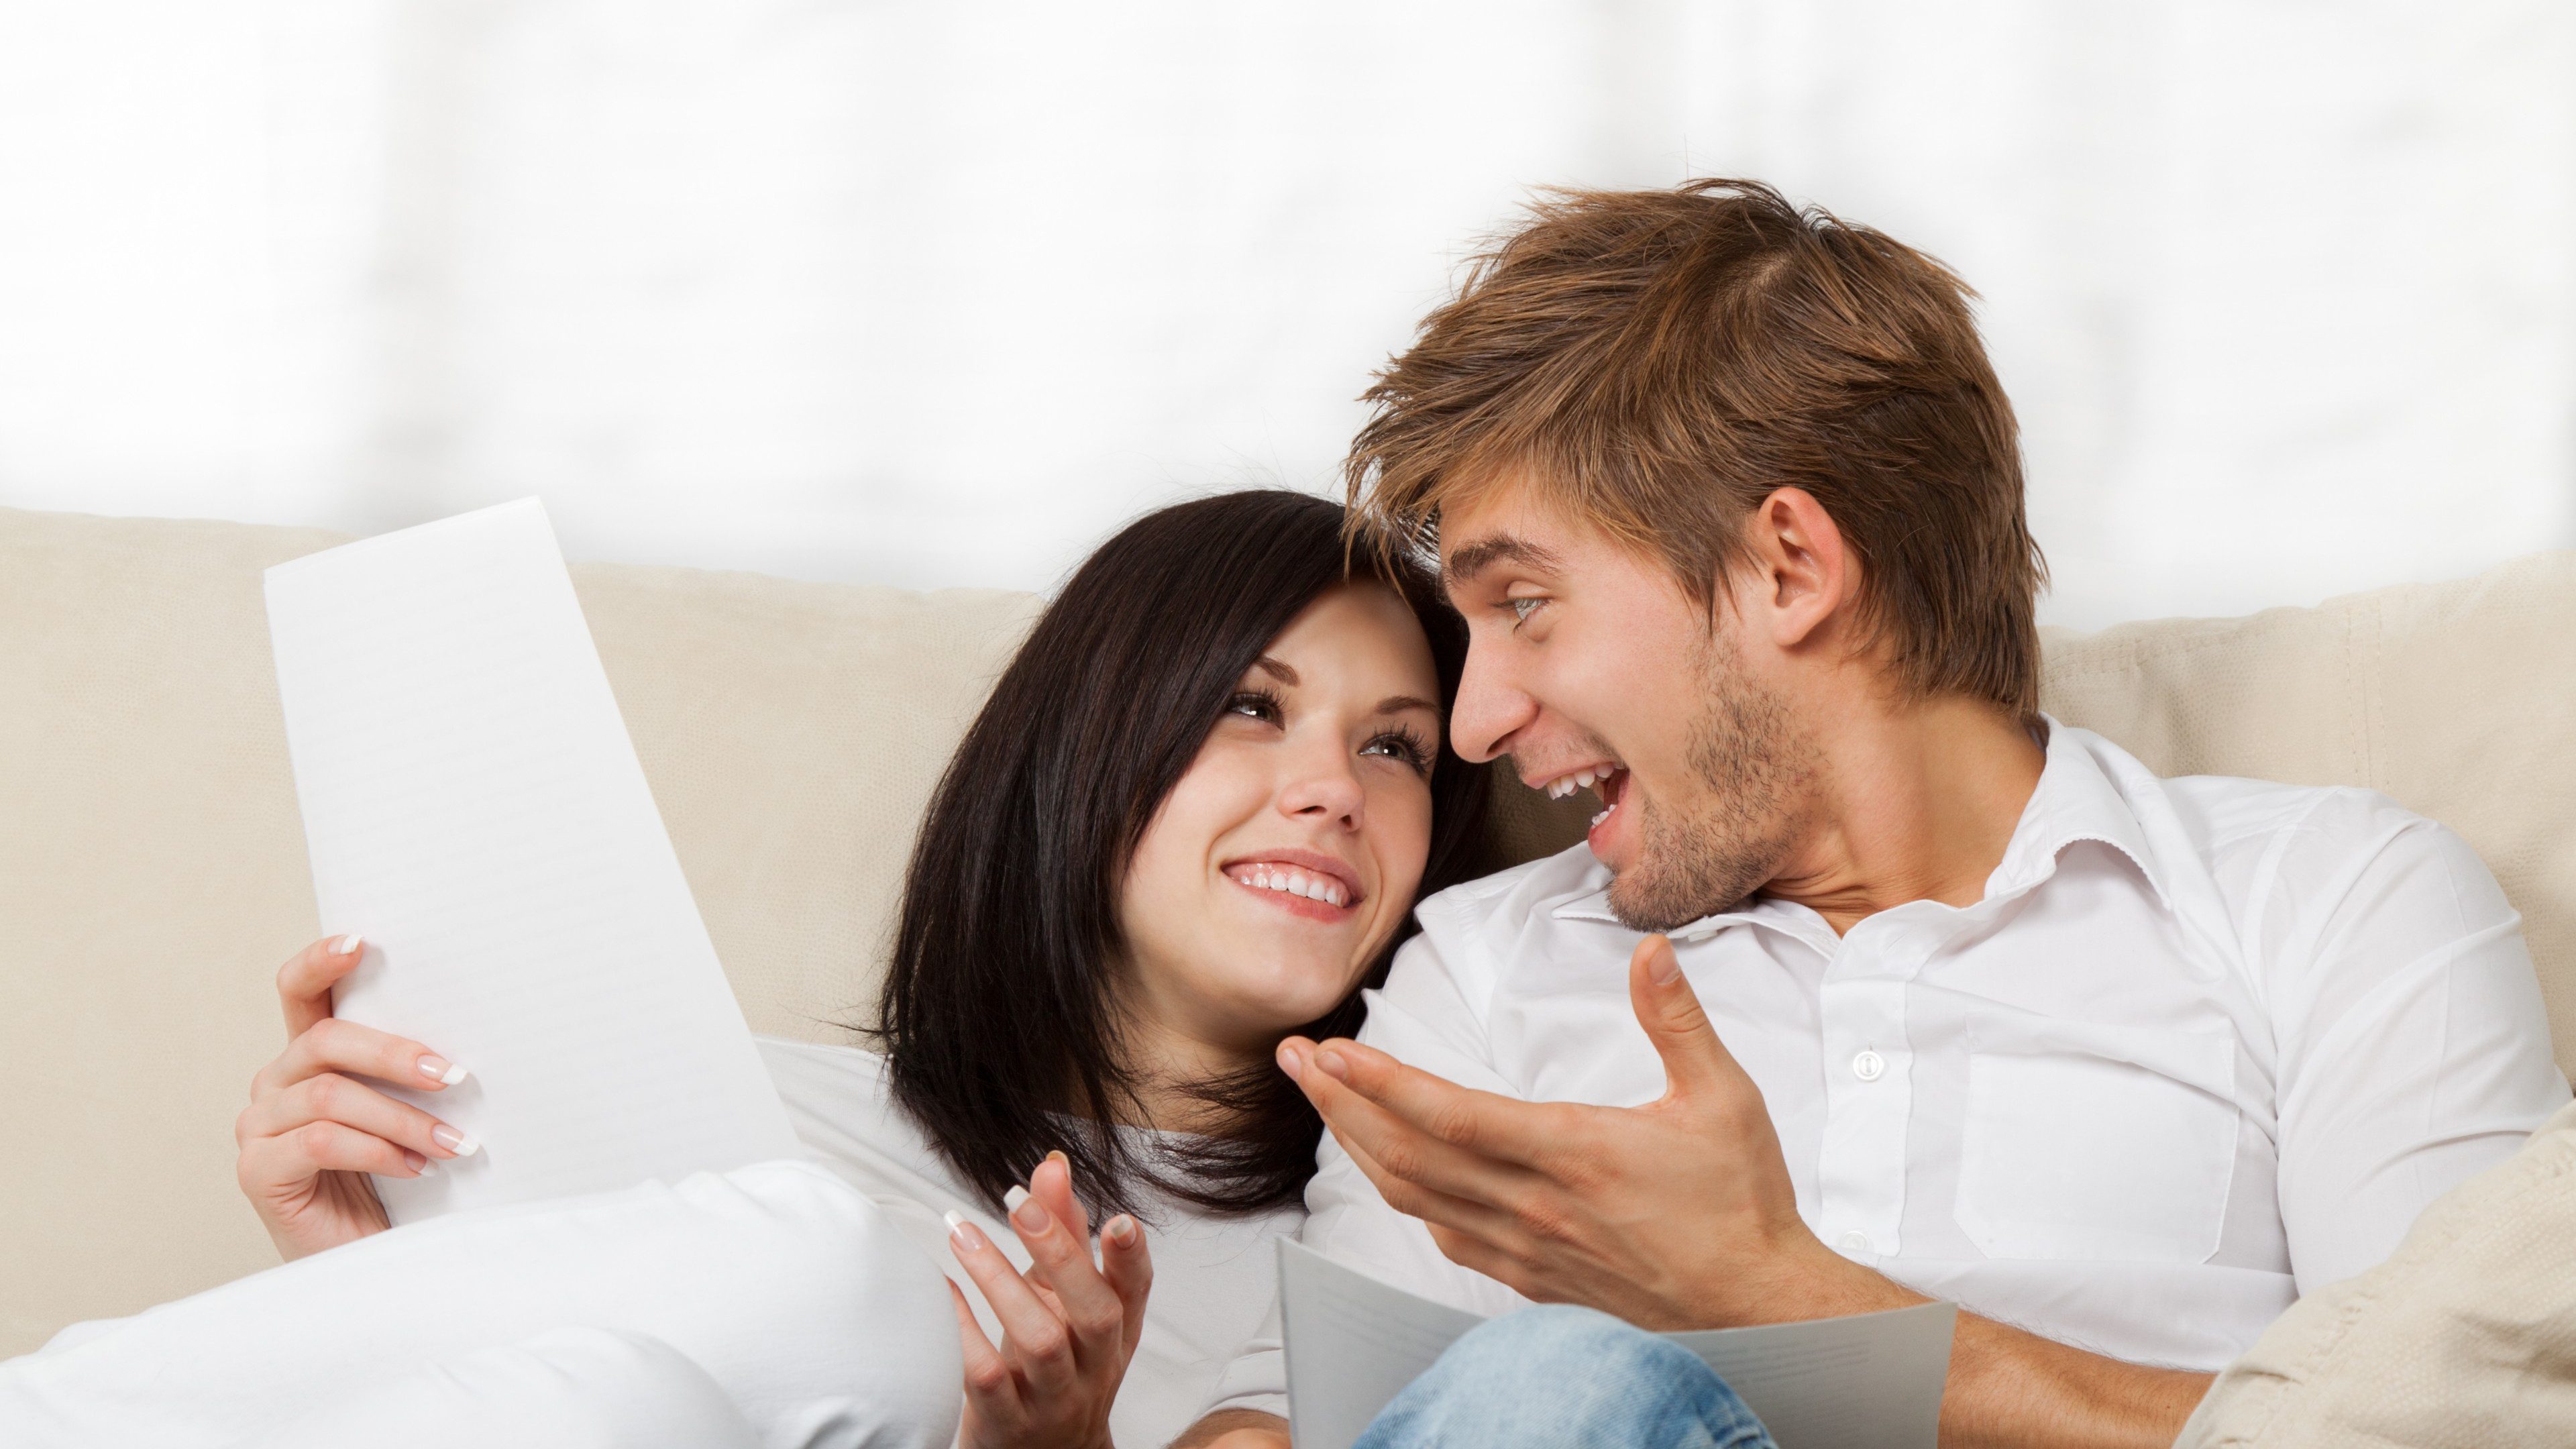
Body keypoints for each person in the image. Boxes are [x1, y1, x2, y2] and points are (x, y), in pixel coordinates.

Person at [1177, 181, 2570, 1448]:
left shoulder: (2331, 904)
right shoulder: (1485, 972)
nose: (1474, 723)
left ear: (1789, 566)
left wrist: (1778, 1297)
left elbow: (2447, 1434)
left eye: (1525, 604)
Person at [1, 490, 1493, 1449]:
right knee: (617, 1390)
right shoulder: (744, 1114)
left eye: (1395, 745)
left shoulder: (1368, 1264)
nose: (1332, 789)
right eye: (1251, 705)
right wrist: (377, 1274)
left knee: (839, 1285)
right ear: (1087, 757)